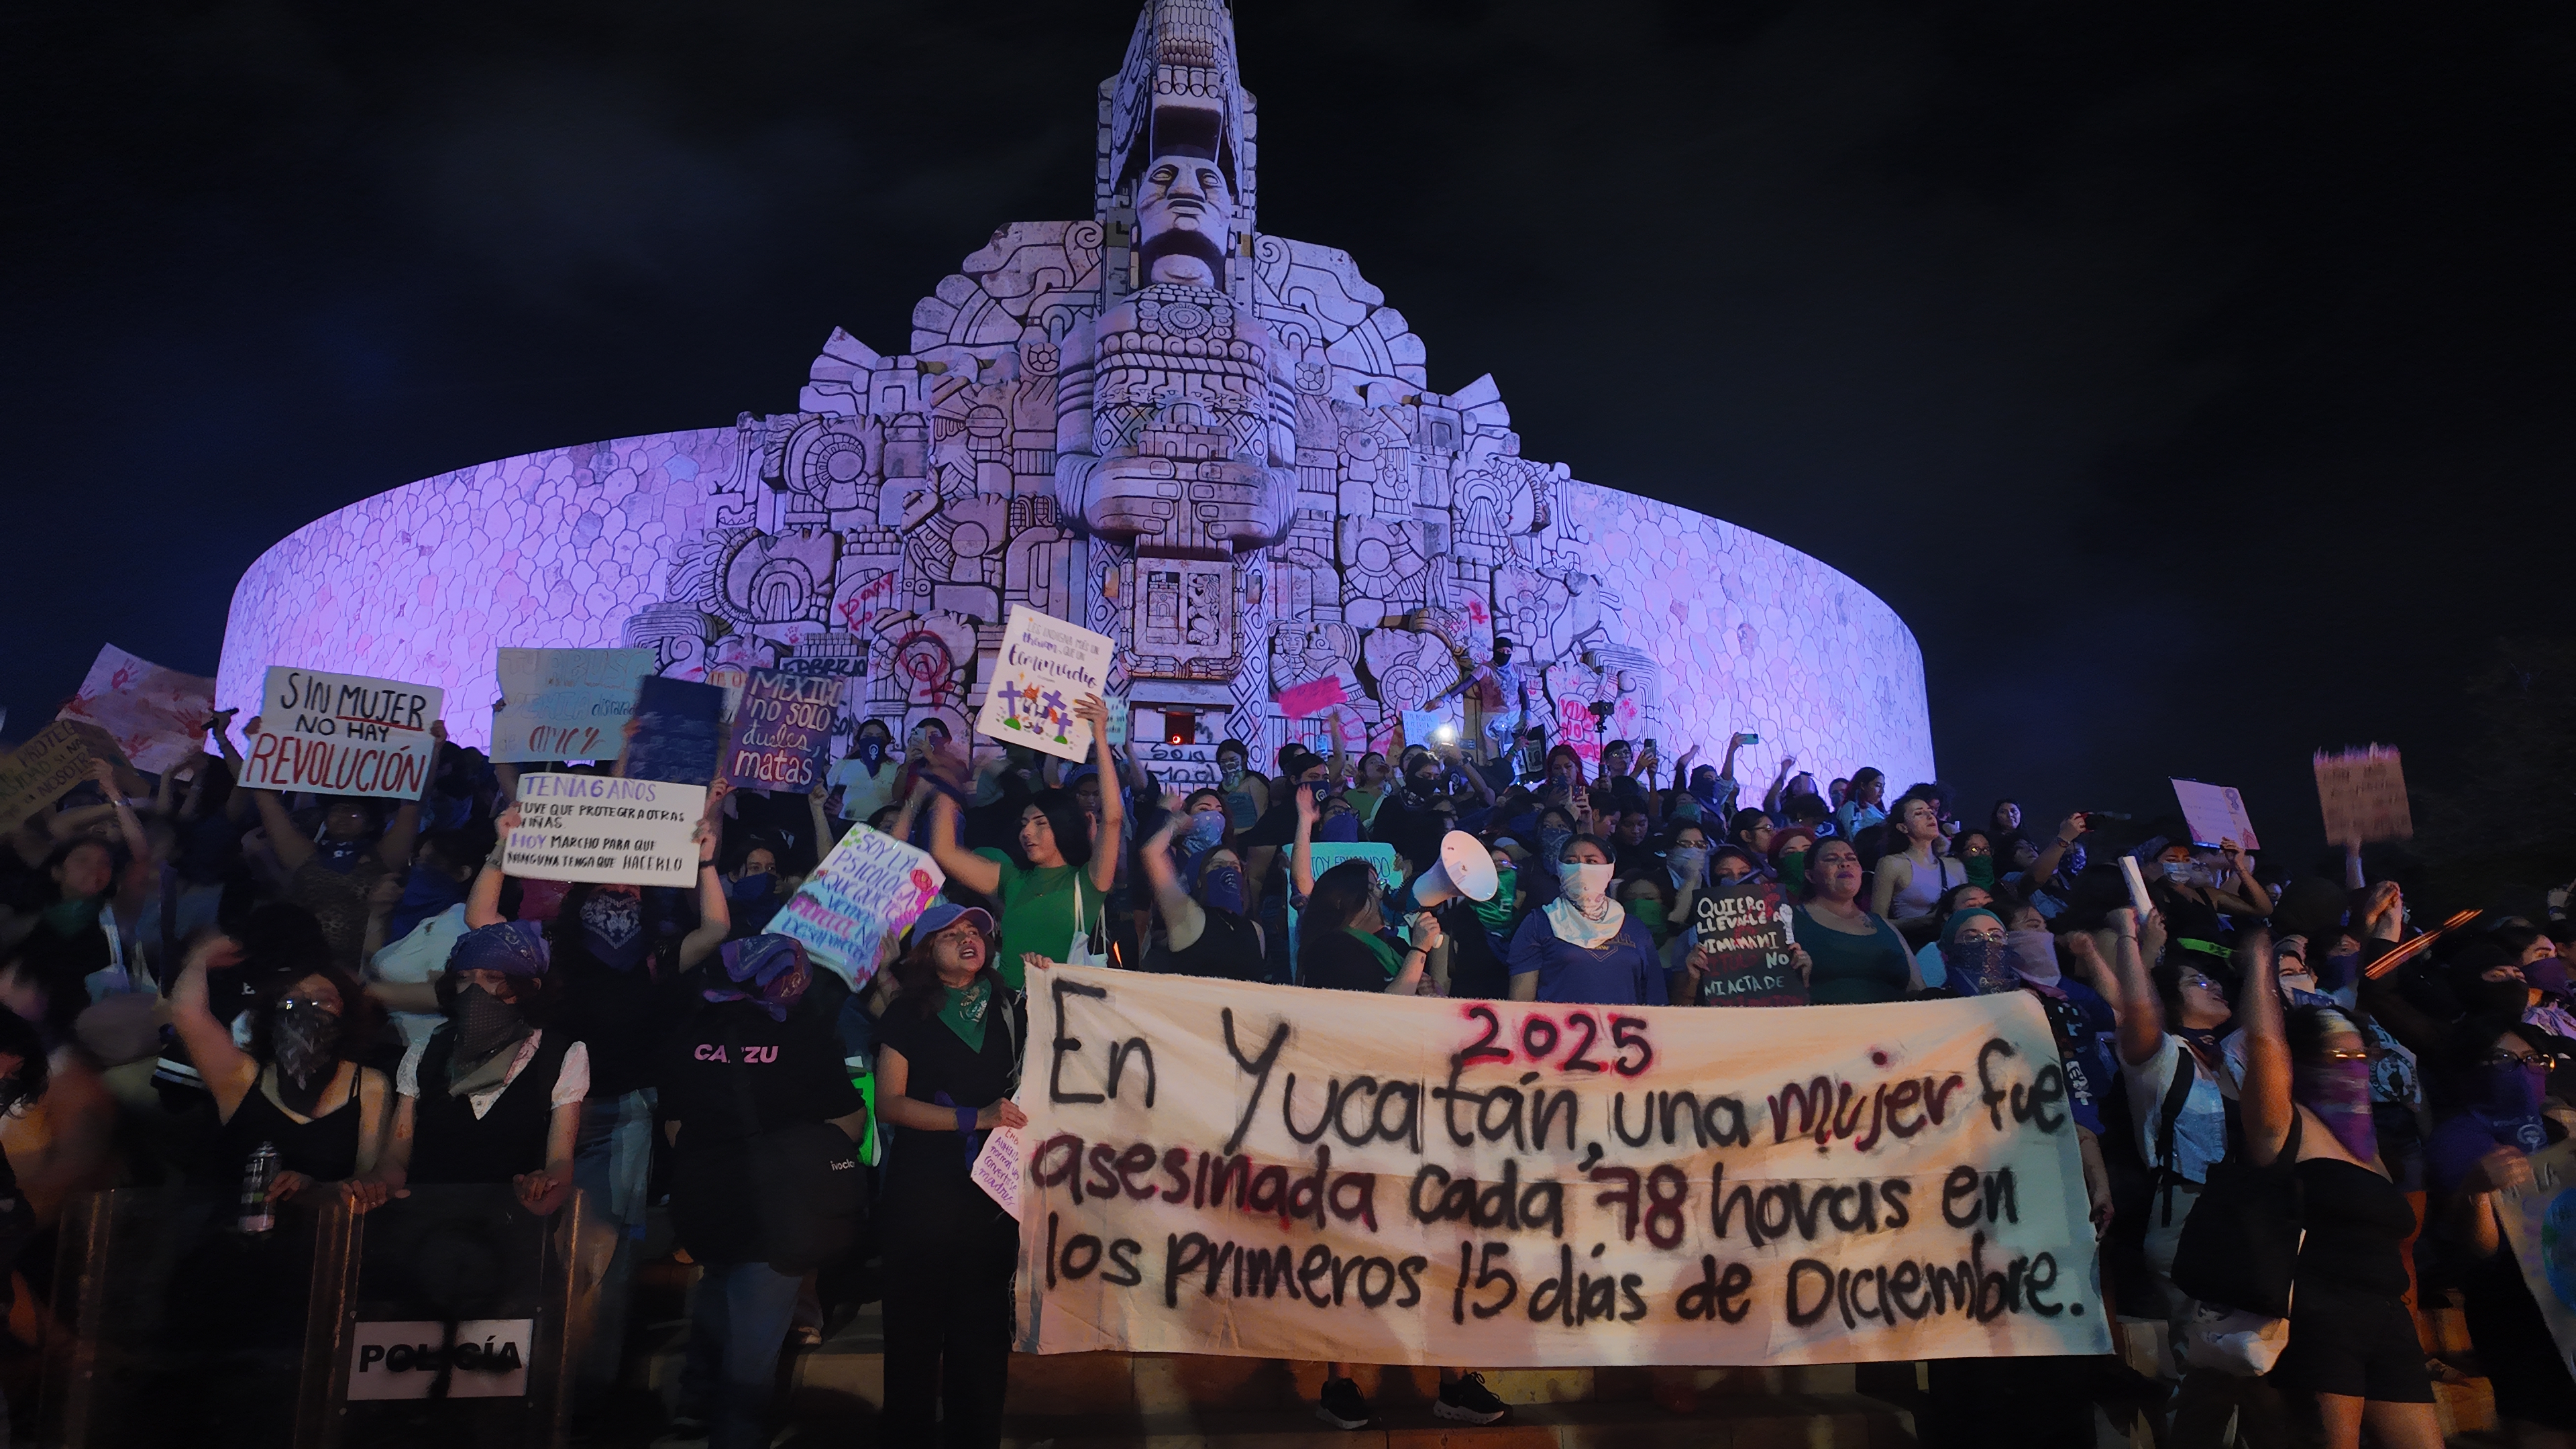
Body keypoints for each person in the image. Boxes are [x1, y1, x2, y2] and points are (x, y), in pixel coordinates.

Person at [2234, 934, 2440, 1449]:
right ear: (2300, 1064)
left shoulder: (2370, 1145)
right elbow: (2263, 1045)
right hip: (2320, 1317)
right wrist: (2260, 964)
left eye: (2358, 1054)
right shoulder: (2287, 1128)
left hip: (2387, 1317)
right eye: (2336, 1054)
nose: (2352, 1064)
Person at [873, 905, 1025, 1448]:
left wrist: (1059, 986)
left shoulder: (1013, 1007)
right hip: (922, 1197)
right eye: (951, 933)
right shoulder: (906, 1012)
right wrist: (973, 1117)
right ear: (926, 950)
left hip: (991, 1199)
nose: (968, 939)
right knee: (913, 1337)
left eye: (975, 931)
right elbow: (888, 1104)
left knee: (982, 1337)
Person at [361, 921, 584, 1213]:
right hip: (427, 1222)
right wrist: (376, 1185)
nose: (475, 989)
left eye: (492, 977)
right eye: (465, 978)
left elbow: (560, 1162)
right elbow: (396, 1157)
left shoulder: (559, 1055)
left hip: (509, 1226)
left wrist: (542, 1187)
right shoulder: (428, 1050)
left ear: (527, 988)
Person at [2430, 1020, 2576, 1445]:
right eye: (2504, 1060)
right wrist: (2477, 1193)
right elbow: (2482, 1250)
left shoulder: (2554, 1131)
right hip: (2516, 1311)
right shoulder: (2460, 1138)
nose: (2524, 1070)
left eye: (2534, 1060)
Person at [170, 928, 390, 1208]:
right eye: (290, 1001)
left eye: (323, 1001)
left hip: (322, 1234)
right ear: (270, 1015)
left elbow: (367, 1182)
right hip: (234, 1234)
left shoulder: (369, 1084)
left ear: (346, 1015)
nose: (304, 1009)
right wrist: (200, 959)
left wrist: (314, 1187)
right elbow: (187, 1014)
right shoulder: (243, 1077)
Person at [924, 694, 1122, 987]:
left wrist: (1101, 736)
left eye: (1040, 823)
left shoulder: (1088, 883)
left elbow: (1114, 819)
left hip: (1059, 1019)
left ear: (1064, 827)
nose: (1027, 832)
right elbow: (944, 851)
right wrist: (946, 785)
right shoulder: (1013, 877)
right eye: (1025, 824)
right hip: (1006, 1011)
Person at [1506, 836, 1660, 1005]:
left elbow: (1655, 998)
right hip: (1558, 1030)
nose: (1580, 868)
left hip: (1622, 1030)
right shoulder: (1540, 923)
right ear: (1560, 868)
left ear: (1608, 869)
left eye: (1591, 861)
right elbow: (1520, 1003)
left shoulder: (1634, 927)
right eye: (1571, 862)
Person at [1138, 789, 1265, 980]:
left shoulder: (1253, 931)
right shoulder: (1172, 855)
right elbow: (1151, 854)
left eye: (1219, 811)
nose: (1213, 817)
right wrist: (1170, 821)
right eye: (1204, 810)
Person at [1790, 838, 1917, 1004]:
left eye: (1851, 858)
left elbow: (1917, 989)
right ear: (1811, 875)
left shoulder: (1884, 925)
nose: (1844, 863)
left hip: (1896, 1024)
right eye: (1831, 859)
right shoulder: (1791, 920)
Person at [1298, 860, 1438, 995]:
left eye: (1379, 885)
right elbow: (1380, 1008)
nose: (1382, 893)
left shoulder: (1396, 947)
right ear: (1341, 901)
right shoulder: (1330, 950)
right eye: (1373, 888)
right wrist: (1419, 950)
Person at [1871, 792, 1965, 943]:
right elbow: (1877, 922)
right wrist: (1925, 920)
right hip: (1916, 947)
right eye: (1919, 813)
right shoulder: (1892, 864)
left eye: (1930, 811)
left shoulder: (1955, 865)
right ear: (1903, 827)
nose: (1930, 816)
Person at [1830, 767, 1886, 841]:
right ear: (1863, 785)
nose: (1882, 791)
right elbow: (1853, 837)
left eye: (1883, 786)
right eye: (1878, 786)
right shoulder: (1850, 807)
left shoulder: (1876, 808)